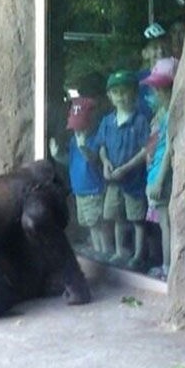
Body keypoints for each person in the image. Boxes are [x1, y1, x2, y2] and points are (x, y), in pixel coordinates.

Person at [95, 70, 150, 270]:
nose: (121, 97)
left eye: (125, 91)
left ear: (134, 93)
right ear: (110, 96)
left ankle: (138, 254)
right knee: (117, 217)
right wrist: (105, 162)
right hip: (113, 180)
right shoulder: (107, 121)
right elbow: (101, 146)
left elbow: (146, 150)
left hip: (133, 180)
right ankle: (119, 251)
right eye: (116, 92)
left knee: (137, 219)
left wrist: (126, 168)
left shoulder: (140, 120)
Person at [49, 97, 112, 258]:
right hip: (80, 191)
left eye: (81, 128)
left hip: (93, 190)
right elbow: (70, 161)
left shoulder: (95, 140)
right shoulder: (73, 141)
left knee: (99, 223)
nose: (78, 133)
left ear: (90, 124)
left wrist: (83, 146)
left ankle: (105, 251)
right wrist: (57, 155)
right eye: (75, 129)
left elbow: (93, 160)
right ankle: (97, 249)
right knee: (90, 224)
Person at [140, 57, 179, 281]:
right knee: (162, 224)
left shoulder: (171, 115)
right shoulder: (160, 115)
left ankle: (168, 268)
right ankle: (165, 265)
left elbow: (169, 150)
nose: (154, 93)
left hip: (161, 180)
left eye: (160, 88)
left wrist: (159, 180)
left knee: (166, 224)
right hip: (154, 177)